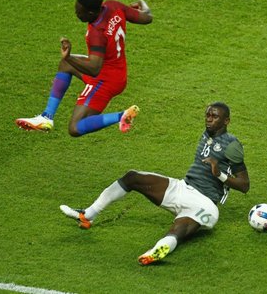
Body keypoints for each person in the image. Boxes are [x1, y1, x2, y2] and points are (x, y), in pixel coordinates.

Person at [60, 102, 250, 265]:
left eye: (214, 116)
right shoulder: (207, 133)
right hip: (182, 188)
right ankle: (87, 215)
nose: (209, 119)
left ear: (226, 121)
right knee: (133, 177)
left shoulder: (232, 144)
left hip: (205, 203)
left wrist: (220, 175)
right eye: (207, 115)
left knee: (179, 229)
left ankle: (157, 251)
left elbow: (244, 185)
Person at [16, 0, 153, 136]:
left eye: (79, 12)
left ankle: (122, 116)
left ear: (91, 14)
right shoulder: (114, 6)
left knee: (75, 128)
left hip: (105, 81)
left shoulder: (97, 33)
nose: (76, 13)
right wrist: (142, 4)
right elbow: (147, 17)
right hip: (118, 70)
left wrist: (68, 57)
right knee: (66, 65)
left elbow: (94, 68)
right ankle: (46, 117)